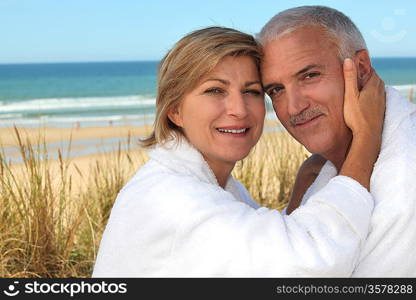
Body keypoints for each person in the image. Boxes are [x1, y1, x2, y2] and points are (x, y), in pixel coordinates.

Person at [92, 26, 384, 277]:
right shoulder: (171, 198)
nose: (239, 109)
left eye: (252, 91)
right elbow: (311, 263)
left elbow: (259, 254)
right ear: (175, 111)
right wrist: (366, 137)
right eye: (215, 90)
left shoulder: (217, 186)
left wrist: (305, 184)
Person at [259, 5, 416, 277]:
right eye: (276, 90)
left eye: (309, 75)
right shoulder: (316, 172)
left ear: (362, 68)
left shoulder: (406, 177)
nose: (293, 107)